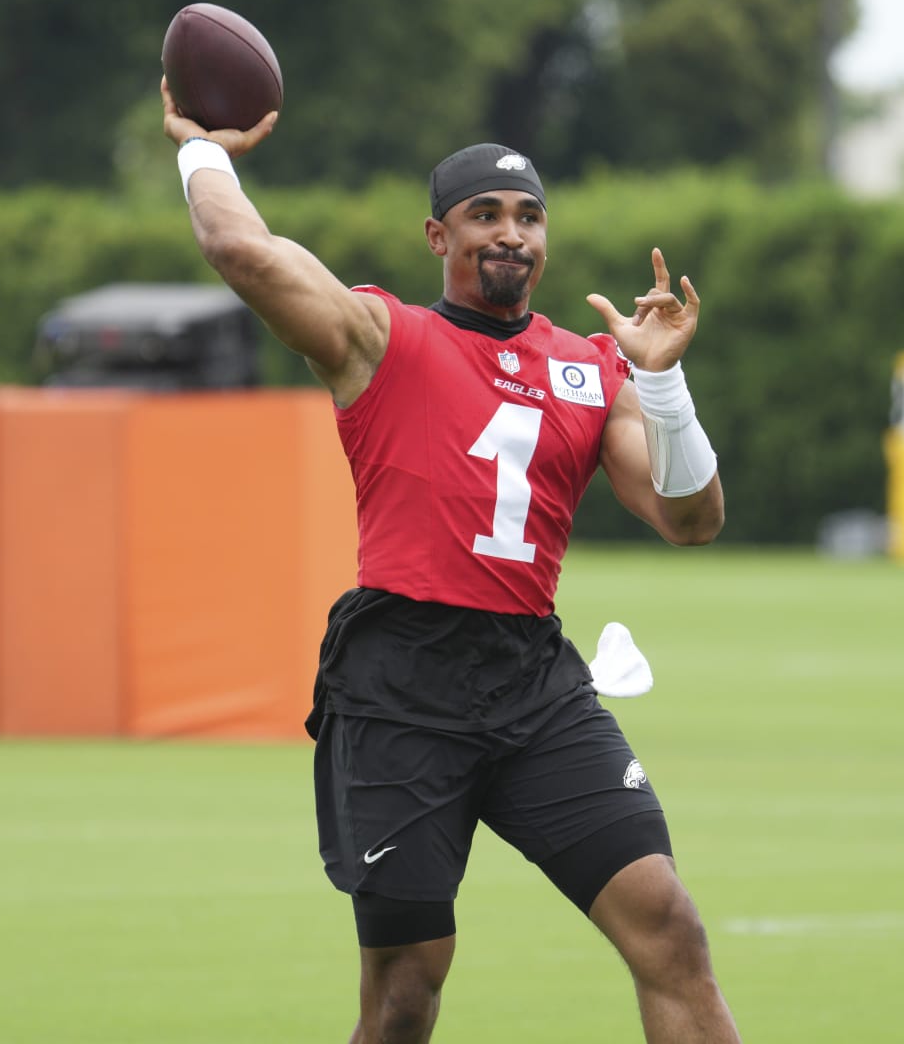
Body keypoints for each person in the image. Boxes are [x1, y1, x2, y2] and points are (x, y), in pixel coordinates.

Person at [161, 79, 741, 1044]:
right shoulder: (382, 337)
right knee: (403, 1002)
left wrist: (665, 381)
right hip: (402, 683)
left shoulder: (592, 368)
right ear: (440, 237)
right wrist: (200, 149)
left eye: (528, 216)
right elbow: (243, 251)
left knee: (669, 929)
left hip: (533, 685)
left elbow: (691, 520)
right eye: (484, 216)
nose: (511, 234)